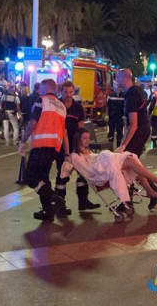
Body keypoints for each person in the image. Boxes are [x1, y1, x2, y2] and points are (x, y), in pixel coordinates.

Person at [66, 128, 157, 205]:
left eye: (88, 138)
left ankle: (151, 188)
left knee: (131, 159)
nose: (87, 141)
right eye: (85, 138)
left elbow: (96, 159)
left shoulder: (88, 151)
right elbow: (89, 170)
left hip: (104, 166)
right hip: (100, 173)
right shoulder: (75, 156)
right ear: (78, 139)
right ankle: (156, 182)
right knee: (129, 159)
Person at [18, 79, 68, 221]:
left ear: (45, 89)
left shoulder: (41, 101)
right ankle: (48, 211)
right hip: (54, 148)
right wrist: (67, 152)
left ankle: (53, 197)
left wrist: (23, 141)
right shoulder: (61, 106)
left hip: (40, 145)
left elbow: (33, 122)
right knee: (43, 177)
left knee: (30, 177)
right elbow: (64, 131)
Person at [115, 68, 157, 209]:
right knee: (133, 164)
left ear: (124, 78)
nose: (116, 80)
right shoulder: (138, 90)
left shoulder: (131, 95)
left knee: (127, 161)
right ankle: (151, 190)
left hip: (139, 131)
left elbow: (133, 125)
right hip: (143, 129)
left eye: (117, 77)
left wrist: (123, 146)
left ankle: (130, 198)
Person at [54, 80, 100, 213]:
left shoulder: (78, 108)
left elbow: (81, 129)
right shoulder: (57, 105)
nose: (68, 95)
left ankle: (83, 202)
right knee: (62, 174)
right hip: (60, 145)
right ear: (61, 91)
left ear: (73, 92)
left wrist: (82, 146)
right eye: (65, 92)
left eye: (70, 92)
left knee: (83, 173)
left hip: (74, 145)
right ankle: (60, 203)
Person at [107, 82, 125, 150]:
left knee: (119, 132)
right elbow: (107, 106)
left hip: (120, 117)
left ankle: (118, 147)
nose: (118, 88)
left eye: (119, 87)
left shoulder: (123, 95)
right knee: (111, 131)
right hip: (112, 116)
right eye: (117, 87)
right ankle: (110, 147)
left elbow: (125, 106)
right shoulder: (111, 95)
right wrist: (107, 115)